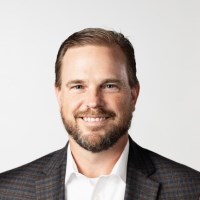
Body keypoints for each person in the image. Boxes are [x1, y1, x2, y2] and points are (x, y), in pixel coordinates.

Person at [0, 28, 199, 200]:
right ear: (59, 95)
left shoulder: (191, 190)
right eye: (78, 86)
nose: (93, 102)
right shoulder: (6, 192)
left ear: (133, 95)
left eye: (110, 86)